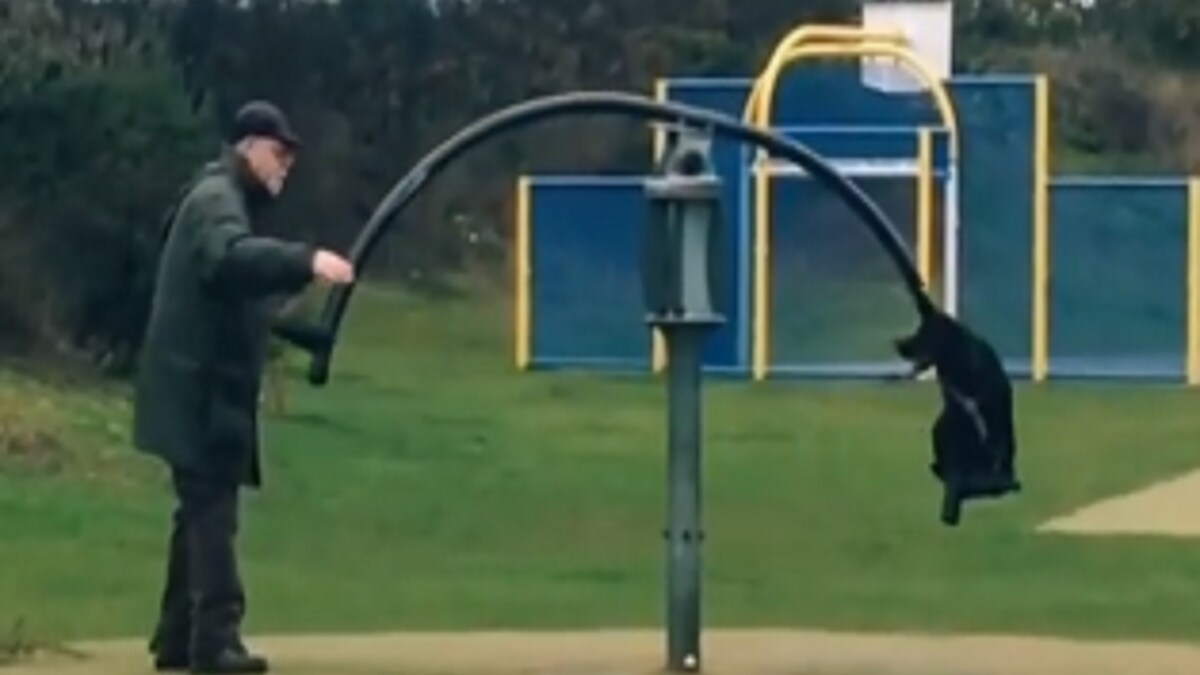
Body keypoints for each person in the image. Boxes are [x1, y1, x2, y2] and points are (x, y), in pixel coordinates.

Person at [133, 100, 355, 673]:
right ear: (248, 147)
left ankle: (178, 637)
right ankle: (216, 643)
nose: (285, 167)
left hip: (199, 390)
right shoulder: (216, 202)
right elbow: (230, 262)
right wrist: (306, 260)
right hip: (199, 391)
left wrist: (303, 328)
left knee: (198, 511)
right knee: (212, 513)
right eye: (279, 154)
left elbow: (235, 296)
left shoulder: (220, 200)